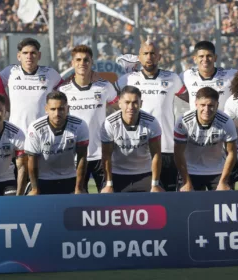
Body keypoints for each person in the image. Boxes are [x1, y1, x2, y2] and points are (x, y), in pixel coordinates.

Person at [114, 40, 184, 191]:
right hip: (137, 148)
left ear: (159, 57)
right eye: (145, 54)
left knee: (168, 195)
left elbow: (191, 98)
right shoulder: (127, 79)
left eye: (153, 53)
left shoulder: (172, 79)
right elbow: (112, 99)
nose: (149, 57)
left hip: (166, 147)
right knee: (138, 194)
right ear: (139, 57)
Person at [58, 45, 118, 192]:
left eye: (86, 60)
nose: (82, 63)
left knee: (107, 200)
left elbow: (122, 107)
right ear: (72, 63)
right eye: (78, 60)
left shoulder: (104, 87)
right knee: (77, 199)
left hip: (100, 154)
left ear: (92, 63)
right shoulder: (63, 91)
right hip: (74, 155)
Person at [101, 85, 164, 193]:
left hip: (145, 173)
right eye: (127, 102)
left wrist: (155, 184)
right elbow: (106, 156)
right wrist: (108, 184)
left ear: (141, 103)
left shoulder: (152, 122)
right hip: (117, 173)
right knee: (106, 198)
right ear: (119, 103)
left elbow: (156, 154)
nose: (131, 107)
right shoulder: (109, 123)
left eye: (135, 102)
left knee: (159, 196)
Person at [24, 91, 89, 195]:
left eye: (61, 109)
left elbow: (82, 157)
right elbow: (32, 160)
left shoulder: (80, 125)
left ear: (67, 109)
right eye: (53, 109)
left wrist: (79, 188)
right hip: (43, 179)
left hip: (69, 177)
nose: (57, 113)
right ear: (46, 109)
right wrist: (35, 188)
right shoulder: (35, 128)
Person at [174, 87, 238, 191]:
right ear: (196, 104)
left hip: (218, 170)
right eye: (203, 105)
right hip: (190, 171)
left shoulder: (226, 122)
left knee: (223, 202)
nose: (206, 110)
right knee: (187, 204)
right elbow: (178, 154)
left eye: (211, 105)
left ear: (217, 105)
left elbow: (231, 153)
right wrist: (186, 182)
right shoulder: (183, 122)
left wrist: (223, 181)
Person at [0, 38, 63, 135]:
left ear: (39, 55)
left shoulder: (50, 73)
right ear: (19, 56)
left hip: (43, 133)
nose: (29, 56)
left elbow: (68, 88)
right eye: (25, 53)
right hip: (16, 134)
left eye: (33, 53)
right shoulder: (10, 71)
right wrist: (5, 105)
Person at [179, 41, 237, 111]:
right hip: (196, 121)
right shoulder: (186, 76)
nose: (205, 59)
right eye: (201, 56)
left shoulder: (230, 75)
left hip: (223, 121)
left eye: (209, 56)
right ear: (195, 59)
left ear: (215, 58)